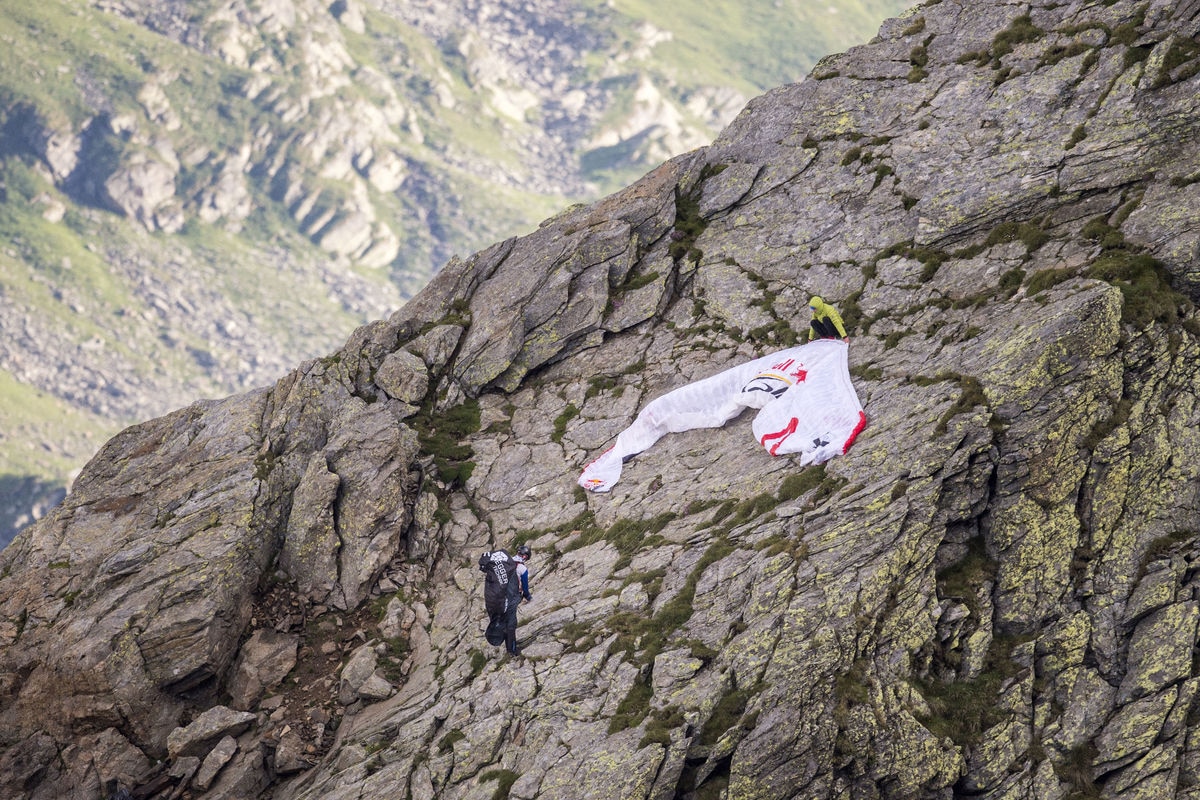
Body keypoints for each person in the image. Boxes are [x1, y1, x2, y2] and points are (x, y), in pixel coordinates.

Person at [480, 544, 532, 656]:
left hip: (499, 599)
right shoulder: (522, 568)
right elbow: (525, 587)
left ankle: (500, 640)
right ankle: (512, 650)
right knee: (511, 624)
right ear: (526, 557)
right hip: (512, 599)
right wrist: (528, 597)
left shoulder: (505, 563)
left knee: (502, 620)